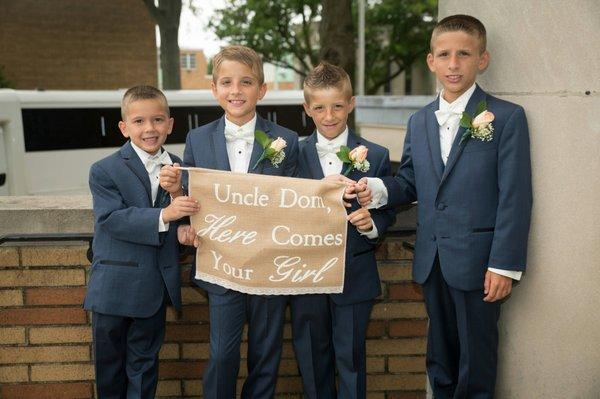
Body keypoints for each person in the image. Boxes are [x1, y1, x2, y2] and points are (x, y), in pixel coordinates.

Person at [359, 14, 533, 398]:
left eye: (464, 54)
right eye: (444, 54)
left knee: (476, 359)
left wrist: (503, 264)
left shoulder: (506, 118)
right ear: (430, 61)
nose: (453, 64)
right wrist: (375, 189)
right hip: (432, 259)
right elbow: (409, 182)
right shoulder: (419, 121)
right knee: (440, 358)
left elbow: (515, 197)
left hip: (480, 263)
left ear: (482, 59)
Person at [160, 45, 299, 399]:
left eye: (246, 82)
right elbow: (190, 198)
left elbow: (297, 202)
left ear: (262, 89)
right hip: (220, 263)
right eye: (227, 82)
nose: (236, 90)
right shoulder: (197, 138)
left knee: (266, 354)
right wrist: (178, 199)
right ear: (214, 89)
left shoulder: (288, 140)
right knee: (222, 354)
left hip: (269, 266)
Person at [84, 85, 200, 398]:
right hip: (113, 287)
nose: (149, 128)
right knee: (110, 372)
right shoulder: (104, 170)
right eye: (139, 121)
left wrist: (182, 232)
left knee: (144, 369)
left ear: (170, 124)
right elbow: (111, 220)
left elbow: (188, 216)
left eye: (158, 120)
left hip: (153, 288)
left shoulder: (181, 167)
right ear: (124, 128)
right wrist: (166, 216)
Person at [289, 62, 396, 398]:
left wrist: (372, 225)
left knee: (351, 359)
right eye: (319, 107)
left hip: (355, 273)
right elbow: (282, 207)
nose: (329, 115)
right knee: (310, 359)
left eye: (337, 105)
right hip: (304, 276)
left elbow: (389, 210)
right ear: (307, 109)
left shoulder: (377, 155)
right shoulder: (290, 153)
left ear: (351, 103)